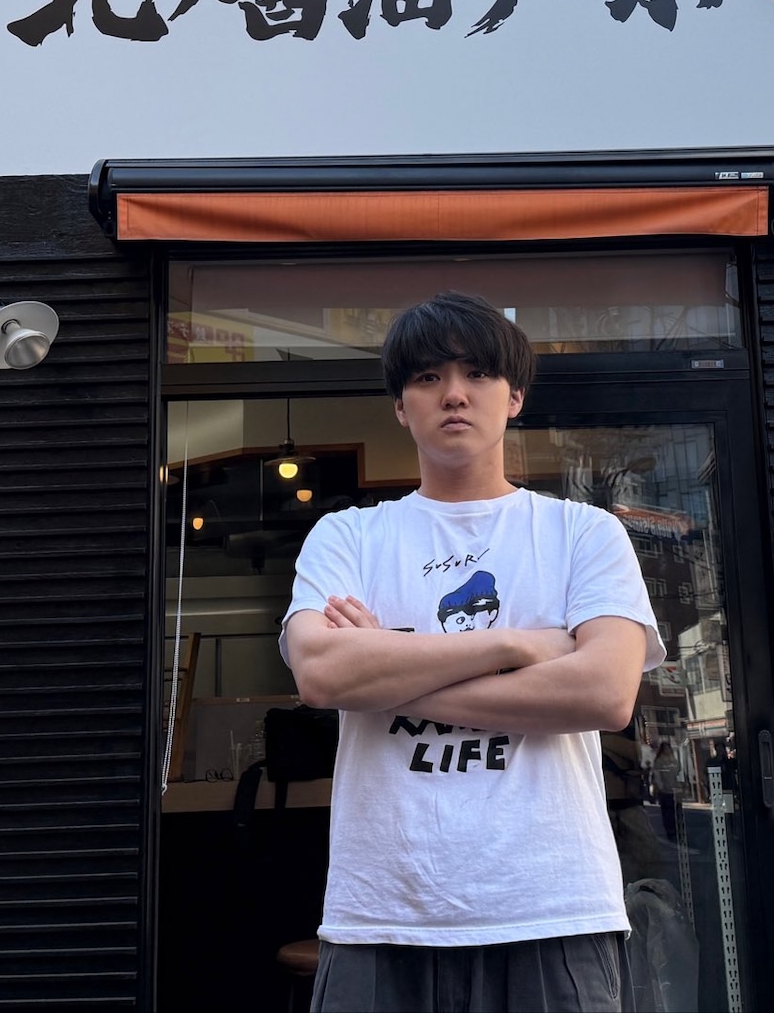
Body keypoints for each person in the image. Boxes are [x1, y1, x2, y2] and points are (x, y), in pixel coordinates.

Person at [282, 291, 665, 1013]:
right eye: (428, 378)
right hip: (383, 912)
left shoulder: (583, 533)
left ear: (514, 397)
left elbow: (605, 694)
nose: (453, 394)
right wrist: (517, 645)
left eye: (477, 374)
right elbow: (323, 674)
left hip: (552, 907)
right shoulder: (348, 537)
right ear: (401, 407)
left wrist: (388, 669)